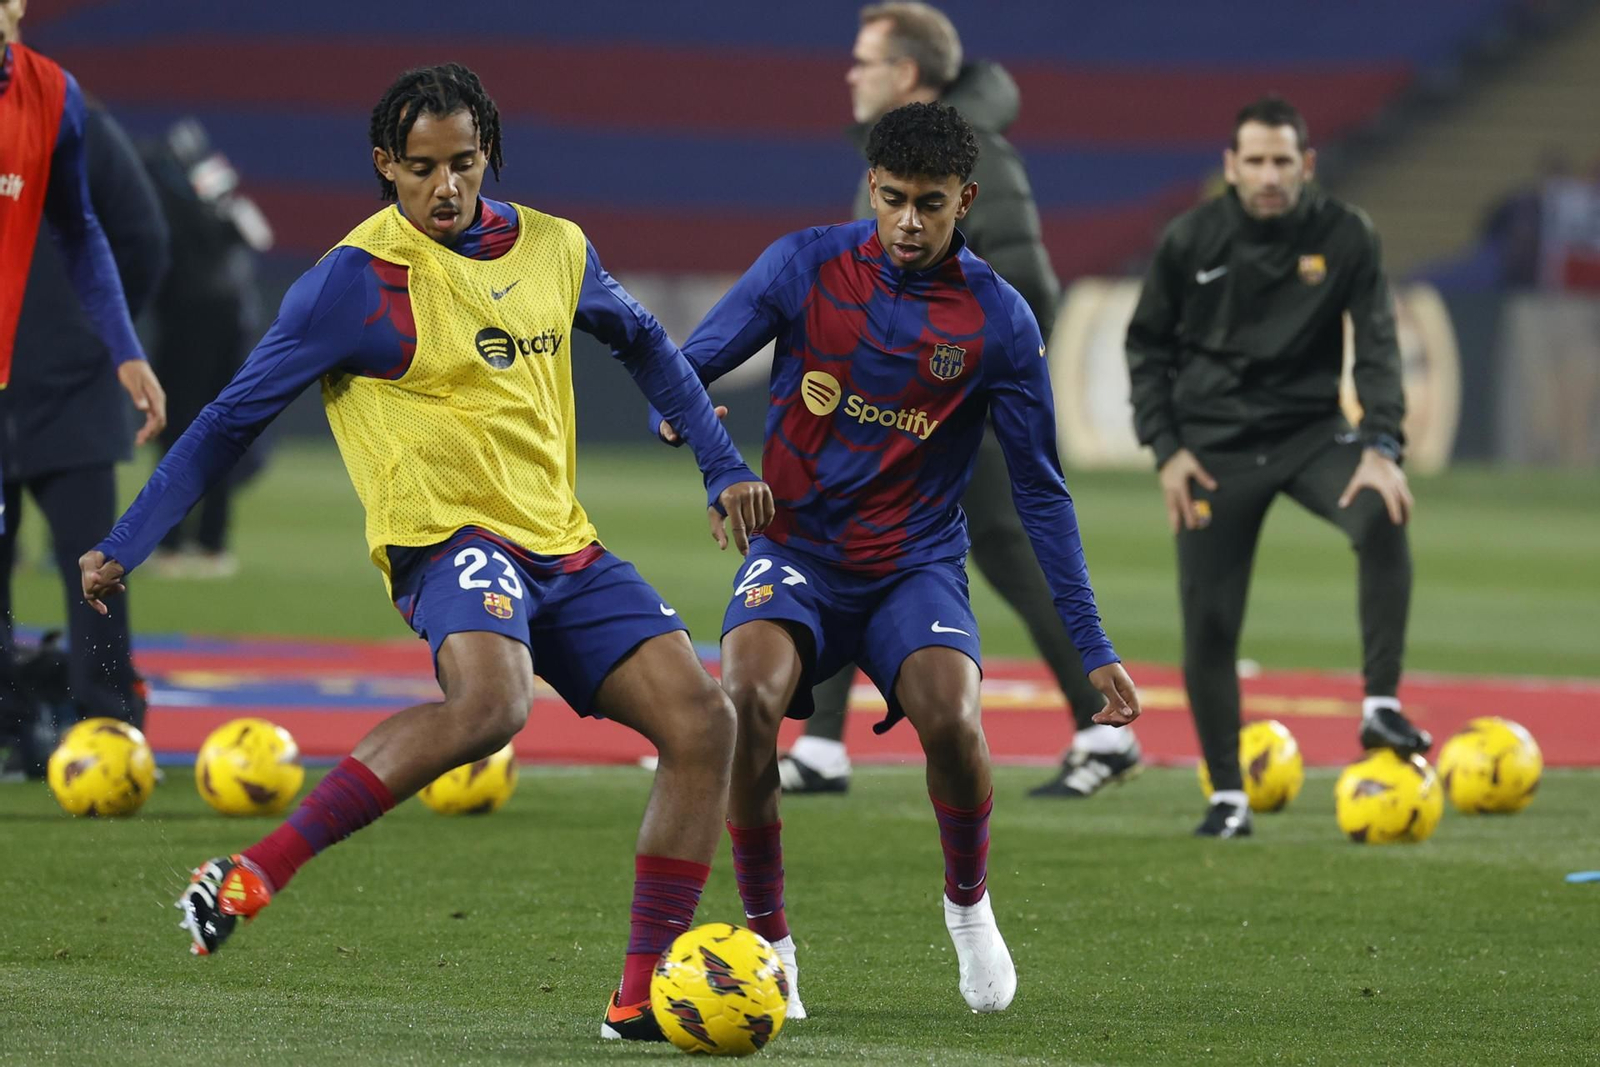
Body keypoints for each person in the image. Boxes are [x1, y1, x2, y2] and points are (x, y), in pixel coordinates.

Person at [78, 64, 773, 1043]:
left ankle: (636, 994)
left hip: (563, 545)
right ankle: (250, 874)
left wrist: (717, 463)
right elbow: (232, 417)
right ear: (384, 167)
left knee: (705, 721)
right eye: (420, 168)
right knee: (493, 704)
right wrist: (129, 539)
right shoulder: (354, 281)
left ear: (487, 155)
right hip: (447, 539)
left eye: (463, 163)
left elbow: (647, 342)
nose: (445, 188)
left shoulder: (556, 247)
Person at [657, 102, 1141, 1014]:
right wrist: (706, 451)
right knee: (747, 702)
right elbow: (682, 373)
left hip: (914, 564)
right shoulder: (804, 264)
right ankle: (772, 944)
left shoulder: (998, 320)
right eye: (892, 200)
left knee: (954, 721)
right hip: (798, 551)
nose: (909, 222)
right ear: (870, 191)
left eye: (929, 203)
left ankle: (969, 911)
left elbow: (1041, 490)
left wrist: (1091, 641)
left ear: (967, 198)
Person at [778, 0, 1140, 800]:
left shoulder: (978, 165)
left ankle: (824, 747)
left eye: (865, 60)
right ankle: (1096, 726)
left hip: (940, 412)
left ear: (905, 73)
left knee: (842, 534)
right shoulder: (916, 158)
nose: (851, 73)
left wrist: (948, 384)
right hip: (906, 407)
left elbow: (1029, 295)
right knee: (985, 551)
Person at [1124, 95, 1428, 839]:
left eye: (1281, 161)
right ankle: (1229, 797)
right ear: (1231, 166)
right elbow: (1146, 350)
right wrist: (1167, 451)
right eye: (1253, 161)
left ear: (1307, 165)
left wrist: (1383, 446)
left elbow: (1379, 345)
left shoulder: (1345, 234)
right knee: (1210, 623)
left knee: (1384, 509)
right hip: (1213, 450)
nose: (1267, 175)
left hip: (1311, 434)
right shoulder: (1190, 239)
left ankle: (1380, 705)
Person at [0, 90, 167, 737]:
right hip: (60, 382)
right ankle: (37, 721)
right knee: (93, 567)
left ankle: (108, 718)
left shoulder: (69, 116)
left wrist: (98, 328)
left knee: (96, 568)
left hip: (70, 387)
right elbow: (145, 236)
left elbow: (142, 235)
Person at [0, 4, 168, 534]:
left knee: (96, 591)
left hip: (55, 391)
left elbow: (79, 230)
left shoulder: (52, 94)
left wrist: (122, 346)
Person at [141, 118, 276, 578]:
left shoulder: (159, 183)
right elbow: (258, 234)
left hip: (187, 320)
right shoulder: (214, 186)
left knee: (179, 428)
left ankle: (175, 542)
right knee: (221, 426)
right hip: (229, 319)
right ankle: (211, 543)